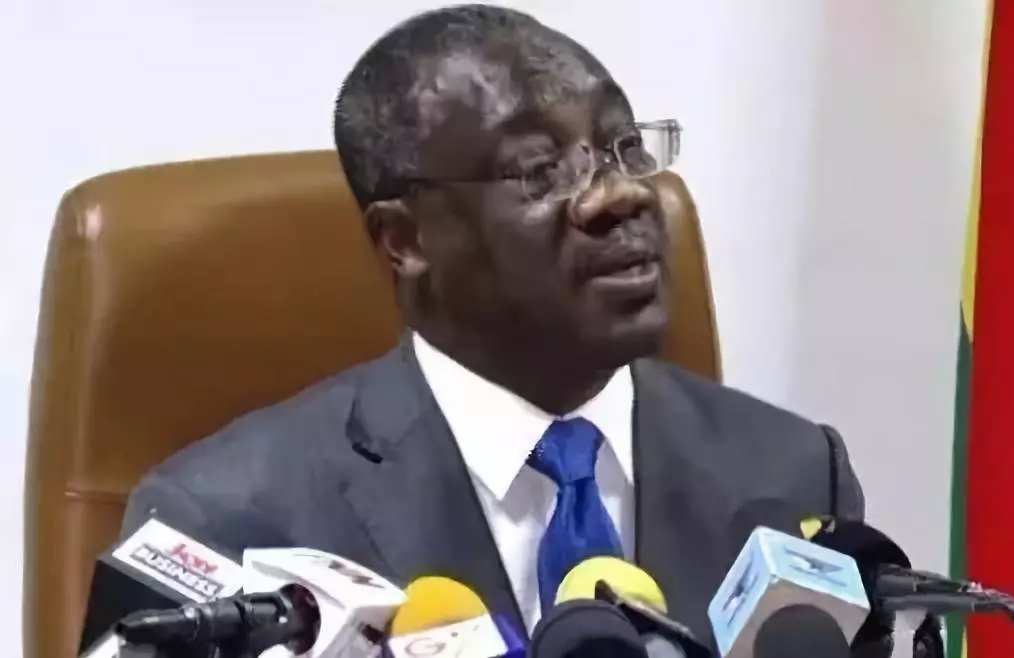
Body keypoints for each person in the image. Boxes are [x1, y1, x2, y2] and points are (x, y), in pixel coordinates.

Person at [121, 4, 864, 642]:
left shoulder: (793, 476)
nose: (622, 195)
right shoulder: (227, 525)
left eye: (626, 148)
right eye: (541, 170)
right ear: (405, 240)